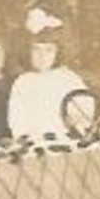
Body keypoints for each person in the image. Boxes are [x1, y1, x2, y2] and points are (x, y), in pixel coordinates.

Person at [6, 8, 87, 143]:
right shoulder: (23, 82)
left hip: (66, 142)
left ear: (58, 52)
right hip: (33, 144)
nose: (42, 56)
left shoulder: (69, 78)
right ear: (28, 52)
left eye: (49, 50)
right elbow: (16, 119)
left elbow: (84, 108)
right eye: (36, 50)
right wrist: (25, 137)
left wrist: (76, 123)